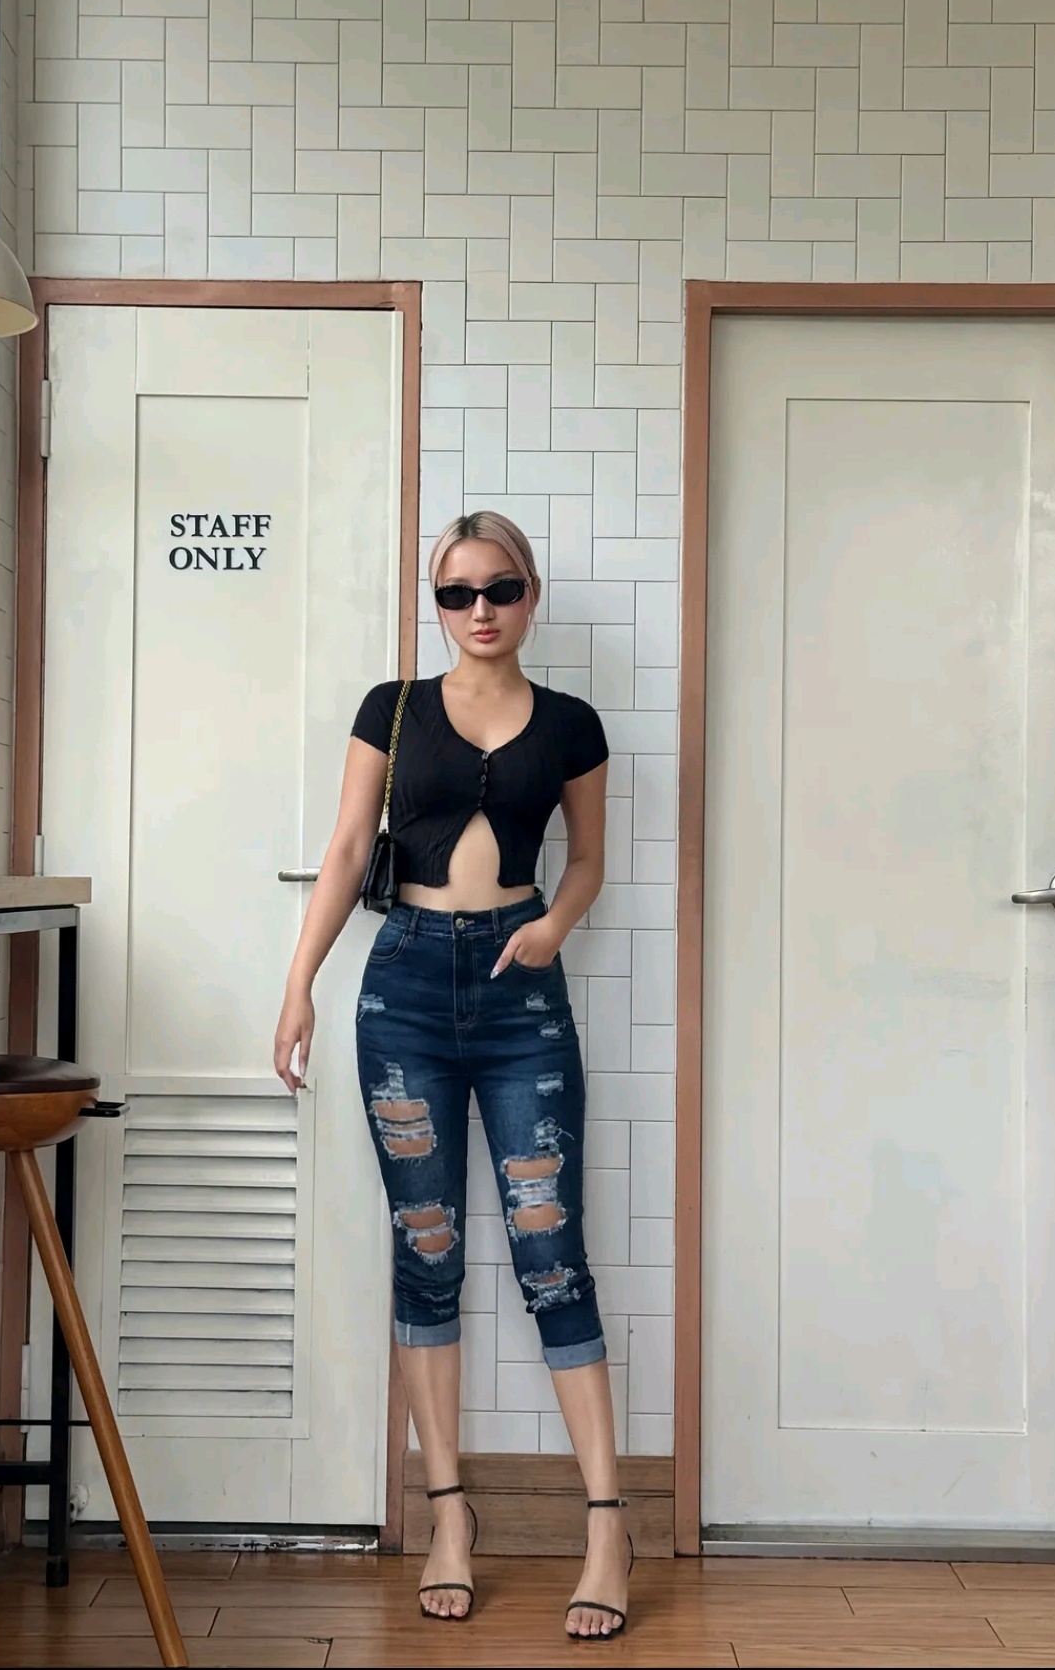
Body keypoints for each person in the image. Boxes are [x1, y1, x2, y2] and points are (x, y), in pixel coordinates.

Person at [274, 511, 631, 1638]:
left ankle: (608, 1528)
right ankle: (448, 1518)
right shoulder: (392, 707)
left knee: (550, 1253)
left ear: (531, 597)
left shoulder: (570, 723)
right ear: (436, 604)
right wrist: (298, 985)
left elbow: (589, 861)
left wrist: (555, 926)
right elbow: (346, 849)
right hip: (407, 992)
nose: (480, 610)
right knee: (426, 1252)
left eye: (501, 589)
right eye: (457, 592)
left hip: (524, 994)